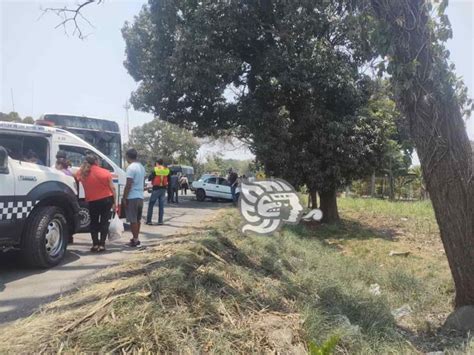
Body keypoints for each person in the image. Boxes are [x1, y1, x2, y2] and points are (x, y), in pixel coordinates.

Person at [76, 155, 116, 252]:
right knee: (104, 222)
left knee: (93, 222)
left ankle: (95, 244)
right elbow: (113, 188)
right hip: (106, 199)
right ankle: (102, 244)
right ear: (96, 162)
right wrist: (115, 202)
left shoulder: (81, 173)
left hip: (92, 201)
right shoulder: (105, 172)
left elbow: (76, 178)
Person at [123, 148, 146, 247]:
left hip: (132, 197)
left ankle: (135, 240)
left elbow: (129, 184)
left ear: (128, 156)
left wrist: (124, 197)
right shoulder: (141, 167)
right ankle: (135, 238)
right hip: (140, 196)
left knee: (133, 220)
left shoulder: (131, 167)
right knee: (137, 219)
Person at [146, 159, 169, 226]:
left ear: (157, 163)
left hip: (156, 189)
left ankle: (149, 221)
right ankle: (160, 221)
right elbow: (169, 178)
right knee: (161, 206)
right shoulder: (166, 170)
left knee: (151, 204)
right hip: (163, 189)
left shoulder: (155, 170)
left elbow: (150, 178)